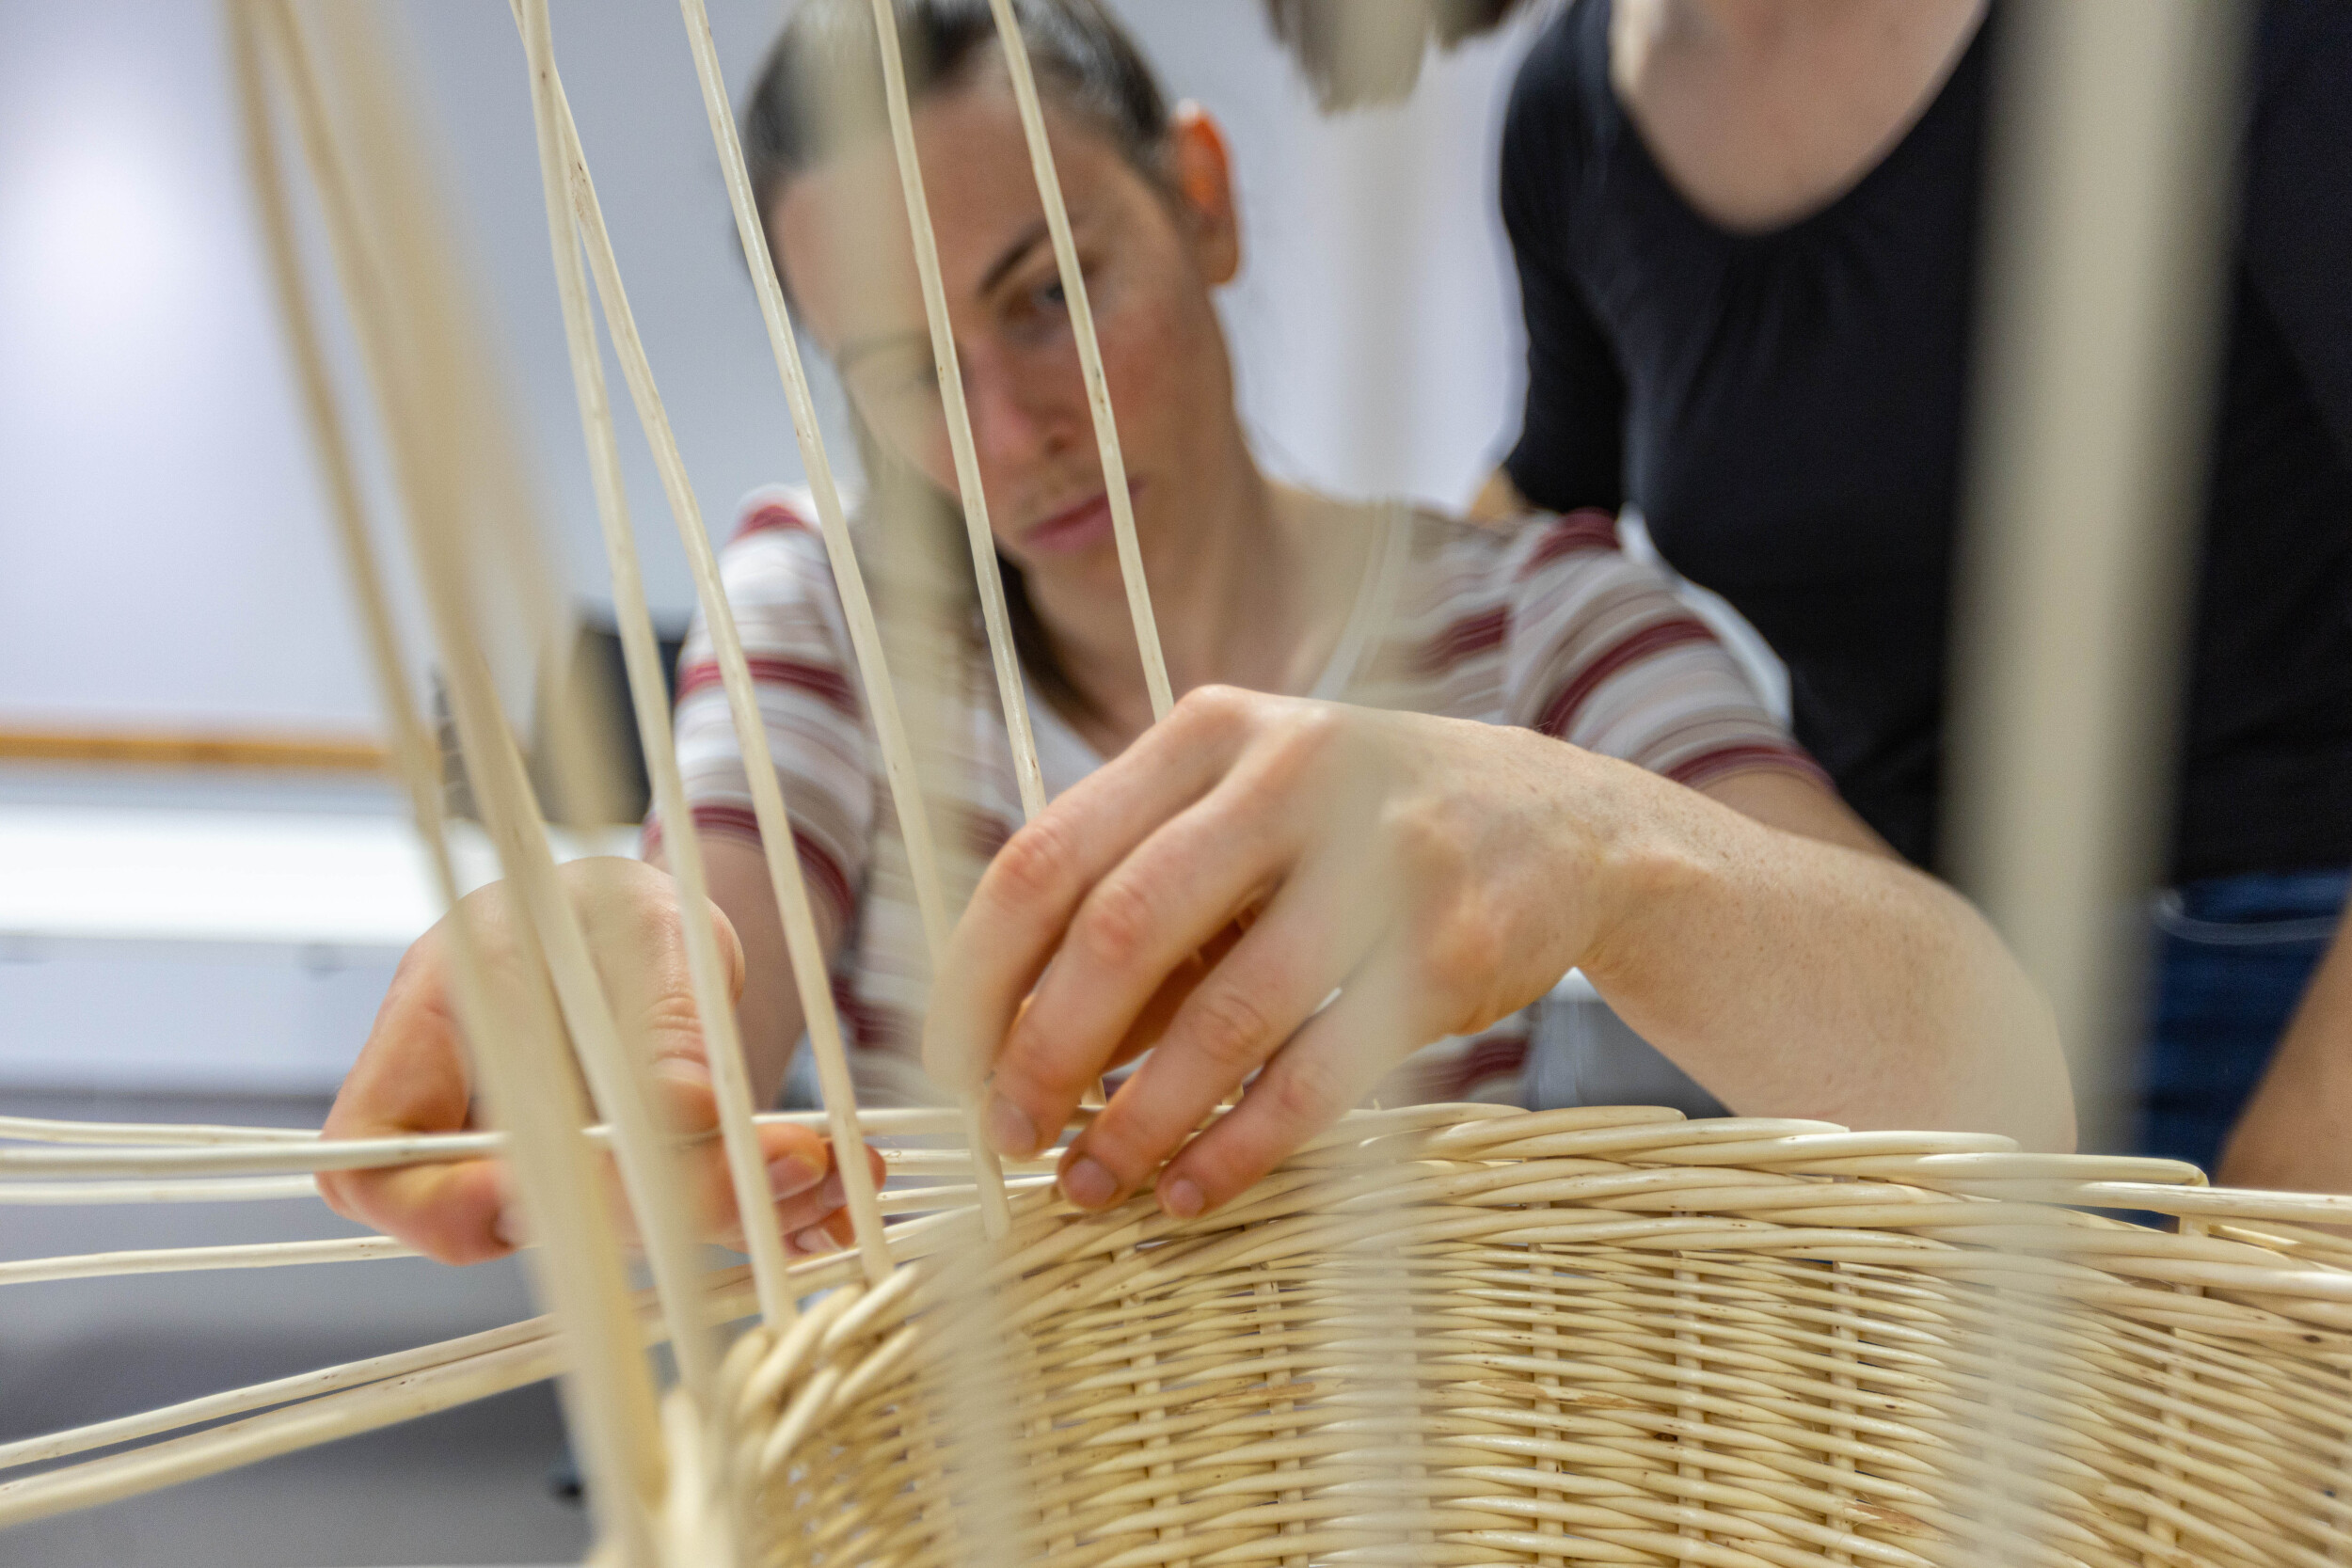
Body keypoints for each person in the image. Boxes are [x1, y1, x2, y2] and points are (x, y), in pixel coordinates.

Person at [318, 0, 2070, 1268]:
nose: (1015, 433)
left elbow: (1999, 1091)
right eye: (909, 375)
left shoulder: (1534, 629)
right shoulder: (828, 620)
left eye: (1054, 294)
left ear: (1206, 202)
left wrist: (1601, 848)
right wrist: (624, 990)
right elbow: (711, 931)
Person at [1456, 0, 2352, 1184]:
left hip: (2281, 960)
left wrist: (2290, 1186)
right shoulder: (1568, 109)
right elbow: (1546, 492)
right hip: (1904, 1018)